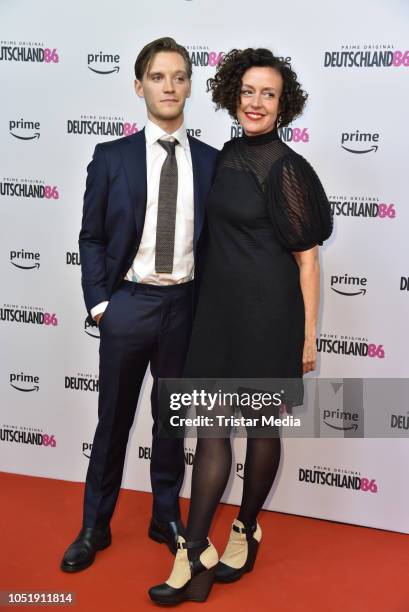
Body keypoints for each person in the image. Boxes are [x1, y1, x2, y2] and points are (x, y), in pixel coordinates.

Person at [148, 47, 333, 604]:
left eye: (268, 94)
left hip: (268, 319)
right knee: (211, 432)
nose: (256, 102)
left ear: (284, 105)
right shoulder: (226, 155)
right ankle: (196, 547)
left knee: (260, 431)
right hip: (218, 318)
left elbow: (307, 259)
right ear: (233, 95)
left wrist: (306, 338)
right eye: (248, 91)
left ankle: (246, 527)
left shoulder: (286, 167)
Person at [60, 37, 218, 572]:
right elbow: (91, 237)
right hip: (129, 304)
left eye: (178, 77)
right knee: (113, 422)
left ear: (190, 86)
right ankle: (93, 526)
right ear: (139, 86)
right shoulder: (111, 158)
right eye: (157, 77)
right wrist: (101, 303)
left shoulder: (213, 162)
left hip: (187, 309)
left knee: (171, 421)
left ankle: (164, 516)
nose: (169, 86)